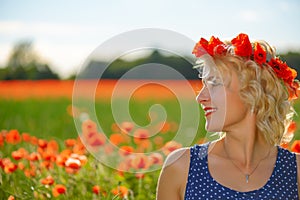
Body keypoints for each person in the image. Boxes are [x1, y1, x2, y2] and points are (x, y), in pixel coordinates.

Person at [156, 33, 300, 199]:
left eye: (215, 83)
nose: (200, 97)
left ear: (254, 91)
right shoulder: (182, 166)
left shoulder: (296, 170)